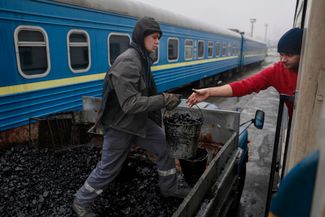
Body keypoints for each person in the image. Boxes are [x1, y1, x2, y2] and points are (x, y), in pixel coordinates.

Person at [72, 17, 189, 217]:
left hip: (138, 122)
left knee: (164, 145)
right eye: (154, 37)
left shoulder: (143, 59)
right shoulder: (128, 61)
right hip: (120, 126)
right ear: (141, 37)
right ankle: (81, 202)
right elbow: (130, 103)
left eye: (159, 37)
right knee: (109, 168)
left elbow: (145, 95)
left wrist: (160, 107)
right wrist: (163, 100)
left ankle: (168, 187)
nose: (157, 41)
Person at [187, 28, 303, 117]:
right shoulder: (276, 71)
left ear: (302, 54)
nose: (283, 60)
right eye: (281, 54)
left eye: (289, 55)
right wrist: (209, 92)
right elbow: (245, 85)